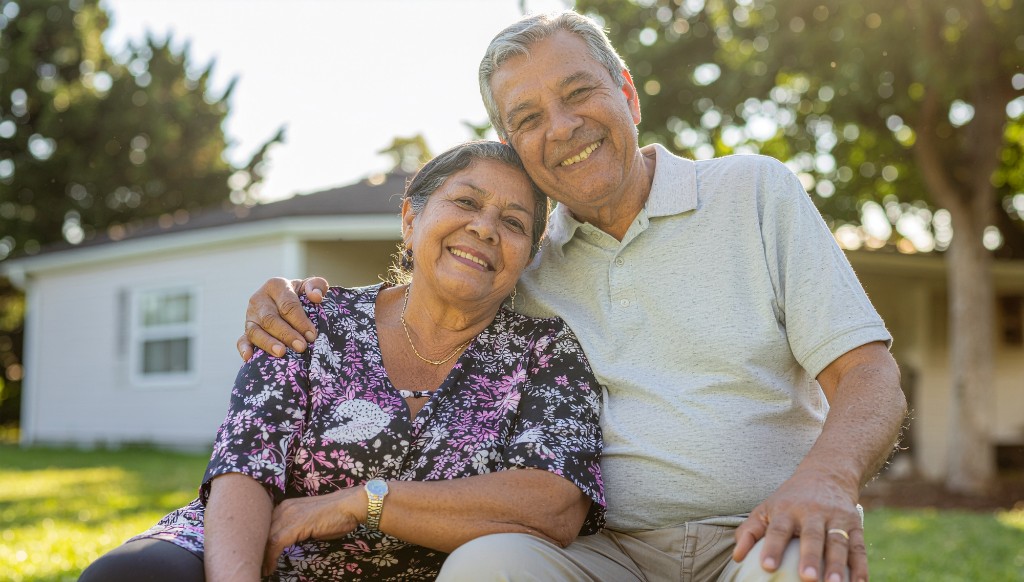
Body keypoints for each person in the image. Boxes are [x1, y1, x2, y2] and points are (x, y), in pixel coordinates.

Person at [240, 10, 907, 582]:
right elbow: (425, 309)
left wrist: (827, 480)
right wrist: (302, 300)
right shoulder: (519, 261)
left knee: (801, 568)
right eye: (528, 117)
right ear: (513, 147)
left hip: (761, 532)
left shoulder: (754, 193)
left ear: (628, 95)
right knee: (485, 567)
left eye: (578, 93)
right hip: (596, 555)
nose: (561, 128)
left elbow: (869, 373)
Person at [79, 141, 606, 582]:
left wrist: (365, 501)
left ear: (528, 256)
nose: (486, 228)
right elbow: (244, 467)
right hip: (258, 555)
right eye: (466, 202)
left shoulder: (544, 351)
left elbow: (551, 506)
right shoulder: (309, 319)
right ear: (410, 218)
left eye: (513, 222)